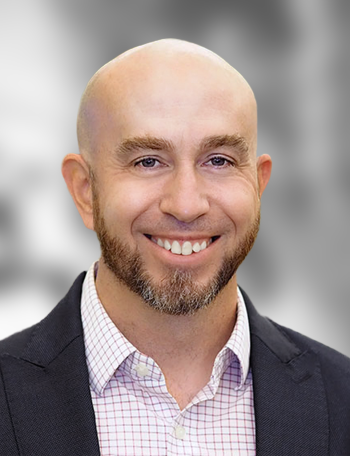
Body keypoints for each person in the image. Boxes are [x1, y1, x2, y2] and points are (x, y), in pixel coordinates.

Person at [0, 39, 349, 456]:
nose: (186, 204)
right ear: (85, 191)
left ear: (258, 184)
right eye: (148, 161)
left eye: (218, 160)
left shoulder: (342, 398)